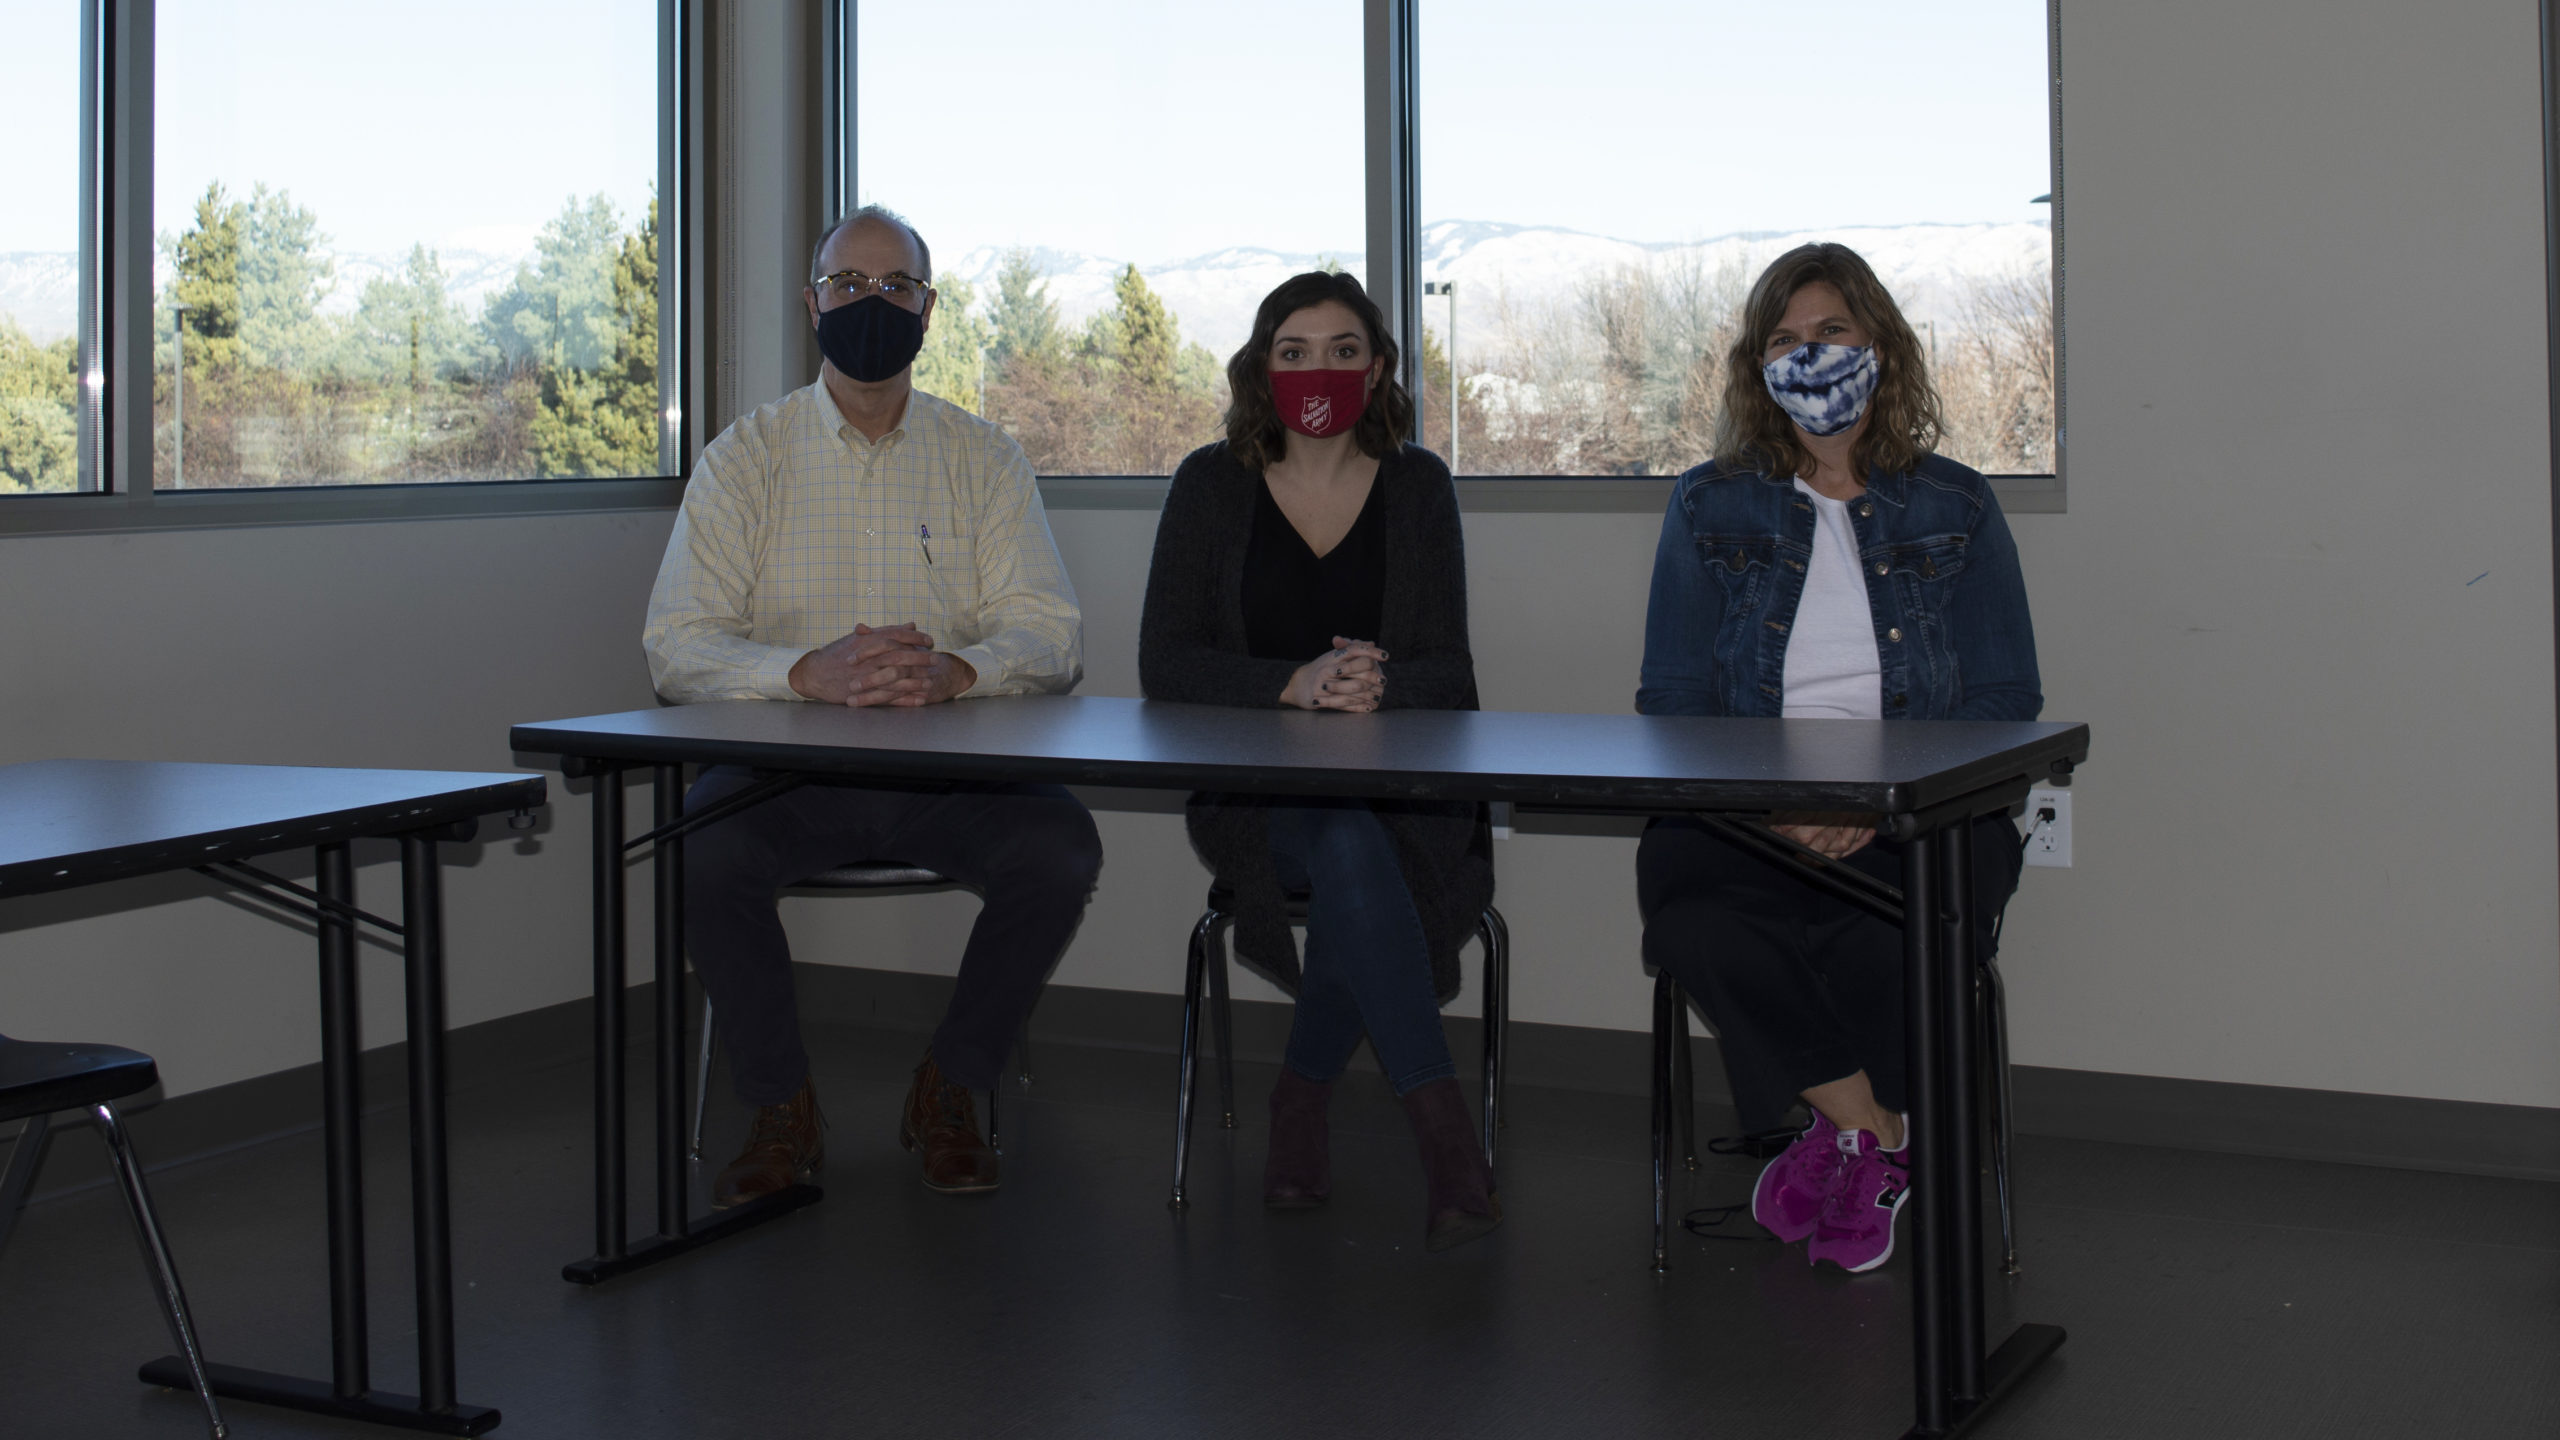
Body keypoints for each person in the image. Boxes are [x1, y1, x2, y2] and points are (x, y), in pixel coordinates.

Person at [643, 204, 1100, 1206]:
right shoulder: (742, 458)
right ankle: (779, 1106)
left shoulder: (985, 458)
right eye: (848, 285)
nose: (871, 303)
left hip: (954, 770)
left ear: (927, 311)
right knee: (695, 849)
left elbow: (1052, 634)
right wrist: (805, 672)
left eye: (895, 286)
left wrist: (958, 674)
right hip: (785, 774)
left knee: (1060, 851)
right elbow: (675, 645)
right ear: (812, 303)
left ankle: (953, 1083)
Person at [1634, 242, 2040, 1272]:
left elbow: (2003, 703)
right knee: (1691, 913)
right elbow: (1672, 702)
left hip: (1923, 812)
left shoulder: (1956, 506)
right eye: (1783, 340)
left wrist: (1877, 803)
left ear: (1880, 350)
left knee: (1882, 937)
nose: (1807, 357)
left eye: (1830, 334)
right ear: (1753, 367)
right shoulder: (1705, 504)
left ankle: (1839, 1138)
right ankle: (1878, 1133)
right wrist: (1777, 808)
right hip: (1744, 816)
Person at [1138, 270, 1499, 1252]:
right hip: (1260, 799)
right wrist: (1287, 686)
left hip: (1407, 795)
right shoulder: (1209, 485)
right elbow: (1164, 663)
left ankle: (1300, 1096)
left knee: (1359, 848)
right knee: (1343, 845)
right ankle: (1443, 1135)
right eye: (1293, 350)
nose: (1318, 369)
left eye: (1344, 349)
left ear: (1378, 367)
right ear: (1260, 368)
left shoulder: (1418, 484)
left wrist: (1383, 688)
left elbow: (1450, 672)